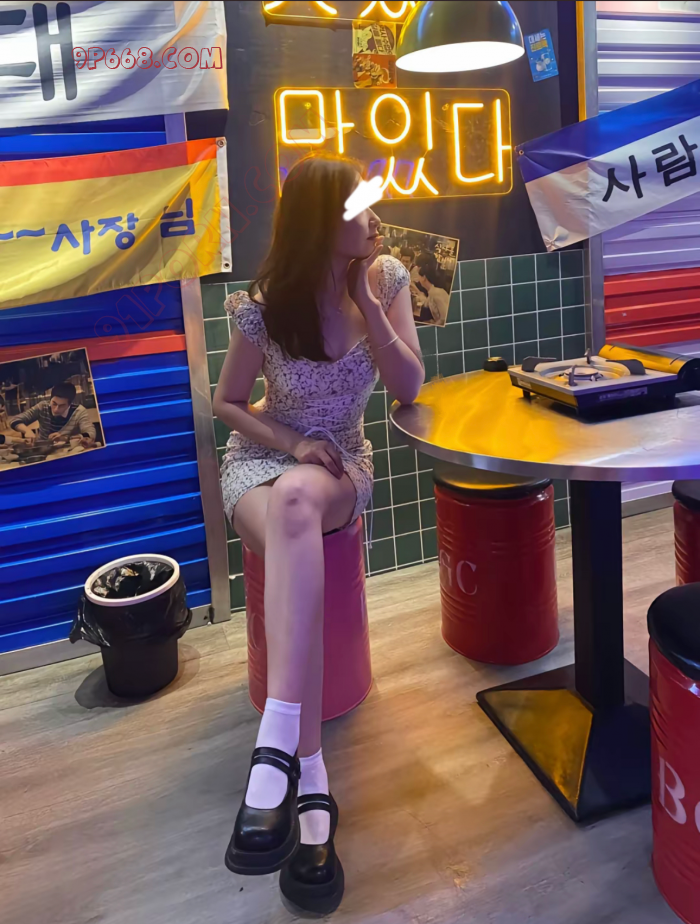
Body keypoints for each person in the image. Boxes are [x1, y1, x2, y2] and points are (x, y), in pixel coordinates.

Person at [213, 152, 424, 914]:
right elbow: (226, 403)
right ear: (321, 223)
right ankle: (308, 776)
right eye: (358, 206)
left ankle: (280, 749)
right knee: (292, 500)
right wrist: (290, 441)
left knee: (304, 497)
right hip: (260, 467)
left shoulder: (388, 279)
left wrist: (366, 299)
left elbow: (410, 386)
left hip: (343, 465)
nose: (375, 216)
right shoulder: (264, 305)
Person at [10, 382, 96, 448]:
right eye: (54, 403)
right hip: (43, 449)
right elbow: (14, 420)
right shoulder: (43, 406)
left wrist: (66, 438)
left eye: (62, 406)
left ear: (69, 404)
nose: (56, 409)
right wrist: (27, 431)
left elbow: (91, 433)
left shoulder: (79, 411)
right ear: (50, 399)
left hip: (67, 450)